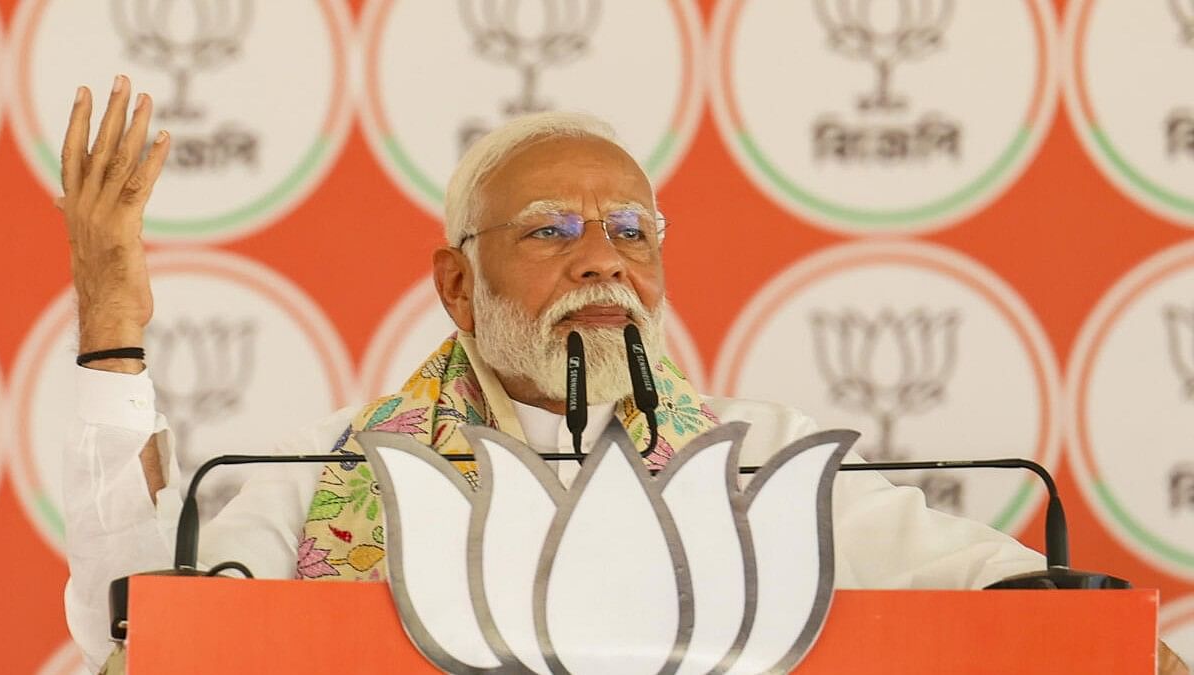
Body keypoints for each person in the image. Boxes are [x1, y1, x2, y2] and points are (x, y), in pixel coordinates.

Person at [58, 77, 1188, 675]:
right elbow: (152, 623)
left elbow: (1011, 596)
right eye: (550, 231)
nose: (603, 255)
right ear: (457, 289)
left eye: (632, 230)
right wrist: (112, 312)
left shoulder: (760, 462)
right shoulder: (337, 479)